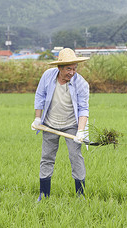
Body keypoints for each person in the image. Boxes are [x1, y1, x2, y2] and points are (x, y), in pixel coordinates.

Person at [31, 48, 90, 201]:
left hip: (71, 125)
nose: (72, 72)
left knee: (76, 157)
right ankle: (43, 195)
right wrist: (38, 119)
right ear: (59, 68)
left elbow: (84, 108)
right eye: (68, 68)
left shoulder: (81, 83)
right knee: (47, 157)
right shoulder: (47, 76)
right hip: (49, 124)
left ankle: (80, 196)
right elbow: (40, 96)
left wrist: (81, 132)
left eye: (75, 68)